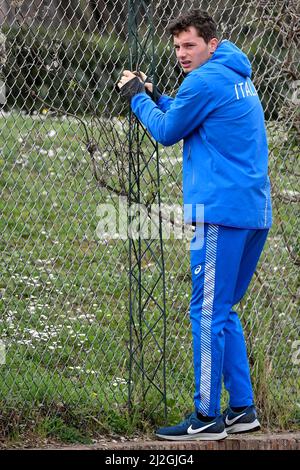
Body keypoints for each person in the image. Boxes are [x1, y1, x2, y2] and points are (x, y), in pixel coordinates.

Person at [117, 9, 272, 441]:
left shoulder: (203, 81)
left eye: (190, 45)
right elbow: (189, 114)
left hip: (221, 214)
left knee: (205, 313)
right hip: (252, 212)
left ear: (211, 43)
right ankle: (242, 409)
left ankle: (206, 417)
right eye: (178, 47)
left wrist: (136, 97)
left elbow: (168, 130)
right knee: (222, 311)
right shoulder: (232, 74)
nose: (183, 54)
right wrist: (156, 95)